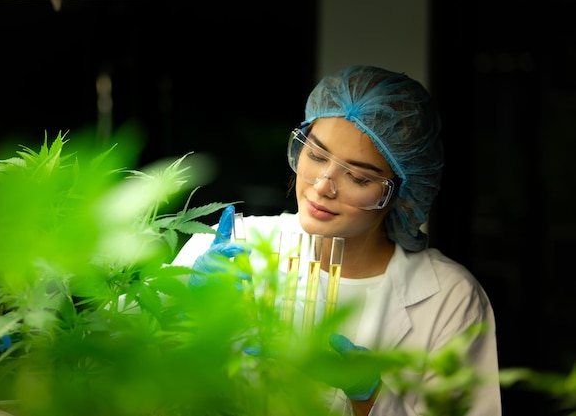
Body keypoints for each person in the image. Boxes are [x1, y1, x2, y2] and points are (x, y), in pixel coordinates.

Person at [172, 65, 501, 416]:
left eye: (358, 177)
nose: (322, 186)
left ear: (400, 192)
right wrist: (189, 316)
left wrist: (370, 396)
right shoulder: (231, 248)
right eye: (315, 155)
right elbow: (130, 379)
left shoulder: (448, 298)